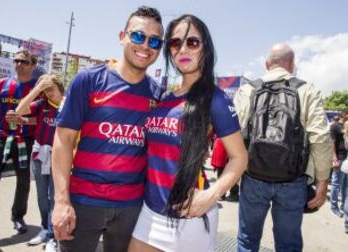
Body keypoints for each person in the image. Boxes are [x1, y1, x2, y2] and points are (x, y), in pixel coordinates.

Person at [128, 14, 247, 252]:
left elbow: (240, 157)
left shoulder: (216, 99)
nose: (183, 49)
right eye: (175, 43)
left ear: (205, 48)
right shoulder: (164, 98)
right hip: (149, 211)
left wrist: (212, 195)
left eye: (192, 42)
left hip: (190, 217)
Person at [51, 6, 164, 252]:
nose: (145, 45)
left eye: (155, 41)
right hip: (83, 202)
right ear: (122, 36)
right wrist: (61, 201)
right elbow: (63, 140)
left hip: (132, 208)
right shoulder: (88, 81)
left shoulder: (158, 95)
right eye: (138, 36)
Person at [234, 43, 332, 252]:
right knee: (288, 244)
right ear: (292, 64)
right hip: (292, 180)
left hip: (253, 176)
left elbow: (234, 134)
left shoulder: (248, 90)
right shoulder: (306, 90)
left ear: (267, 64)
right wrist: (322, 181)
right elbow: (321, 137)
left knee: (246, 240)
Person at [0, 50, 38, 243]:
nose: (19, 64)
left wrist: (23, 121)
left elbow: (40, 119)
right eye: (16, 60)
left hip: (25, 140)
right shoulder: (3, 83)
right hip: (0, 138)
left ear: (32, 66)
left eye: (24, 61)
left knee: (24, 182)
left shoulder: (37, 88)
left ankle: (18, 216)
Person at [16, 74, 64, 251]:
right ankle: (45, 228)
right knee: (42, 196)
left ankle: (52, 236)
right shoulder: (42, 104)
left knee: (54, 198)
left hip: (59, 158)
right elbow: (19, 110)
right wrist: (36, 90)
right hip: (39, 155)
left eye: (50, 88)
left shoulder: (68, 104)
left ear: (60, 87)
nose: (48, 92)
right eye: (45, 89)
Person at [330, 110, 348, 217]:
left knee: (345, 185)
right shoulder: (335, 126)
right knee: (336, 184)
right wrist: (334, 158)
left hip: (346, 160)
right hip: (339, 159)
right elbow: (331, 142)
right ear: (344, 115)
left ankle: (343, 206)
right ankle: (334, 207)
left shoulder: (346, 127)